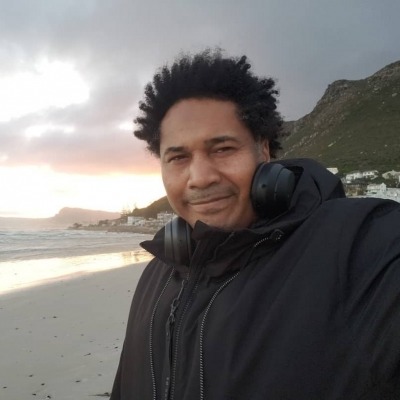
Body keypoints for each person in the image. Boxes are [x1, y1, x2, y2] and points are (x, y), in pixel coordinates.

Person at [110, 49, 400, 400]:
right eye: (178, 157)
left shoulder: (361, 246)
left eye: (222, 149)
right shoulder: (156, 275)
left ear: (263, 150)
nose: (200, 177)